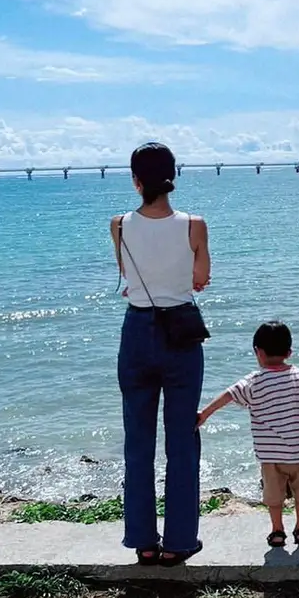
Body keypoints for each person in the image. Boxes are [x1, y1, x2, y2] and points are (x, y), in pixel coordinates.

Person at [111, 142, 211, 566]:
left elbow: (126, 274)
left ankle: (143, 540)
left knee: (138, 441)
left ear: (136, 181)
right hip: (180, 330)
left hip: (137, 331)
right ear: (174, 176)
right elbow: (201, 277)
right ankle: (178, 542)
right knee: (182, 440)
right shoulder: (194, 225)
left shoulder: (119, 225)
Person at [198, 321, 299, 546]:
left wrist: (204, 414)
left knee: (274, 497)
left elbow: (228, 396)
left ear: (258, 352)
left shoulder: (254, 381)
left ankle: (277, 531)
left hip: (272, 455)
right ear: (289, 352)